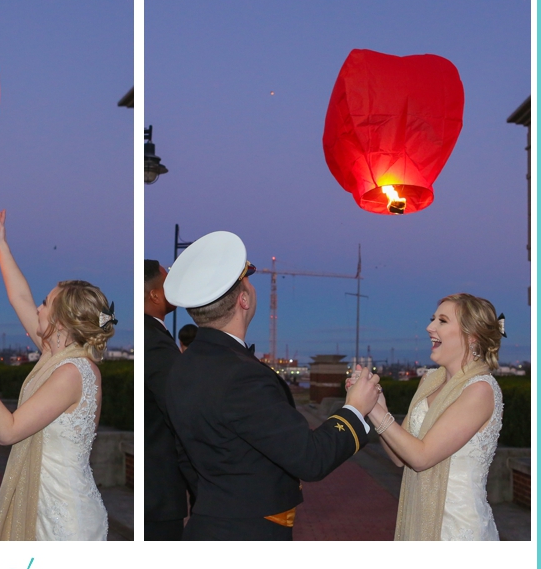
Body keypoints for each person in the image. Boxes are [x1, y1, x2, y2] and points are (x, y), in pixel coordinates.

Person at [163, 231, 381, 540]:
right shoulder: (241, 376)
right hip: (248, 532)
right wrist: (355, 408)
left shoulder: (182, 366)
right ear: (244, 298)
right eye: (248, 282)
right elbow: (311, 459)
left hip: (210, 522)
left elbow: (186, 457)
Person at [0, 210, 111, 541]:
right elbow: (19, 296)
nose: (38, 307)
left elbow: (8, 432)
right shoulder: (55, 354)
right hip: (43, 507)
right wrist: (0, 246)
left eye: (46, 303)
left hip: (65, 521)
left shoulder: (71, 372)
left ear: (61, 321)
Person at [363, 294, 505, 541]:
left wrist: (372, 410)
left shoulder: (480, 390)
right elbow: (399, 457)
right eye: (433, 319)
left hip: (458, 530)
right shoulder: (429, 382)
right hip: (420, 525)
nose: (430, 327)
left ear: (471, 336)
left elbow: (421, 457)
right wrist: (378, 406)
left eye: (442, 321)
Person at [142, 259, 196, 541]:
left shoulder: (149, 337)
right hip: (157, 494)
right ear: (154, 295)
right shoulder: (156, 343)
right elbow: (182, 412)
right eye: (167, 280)